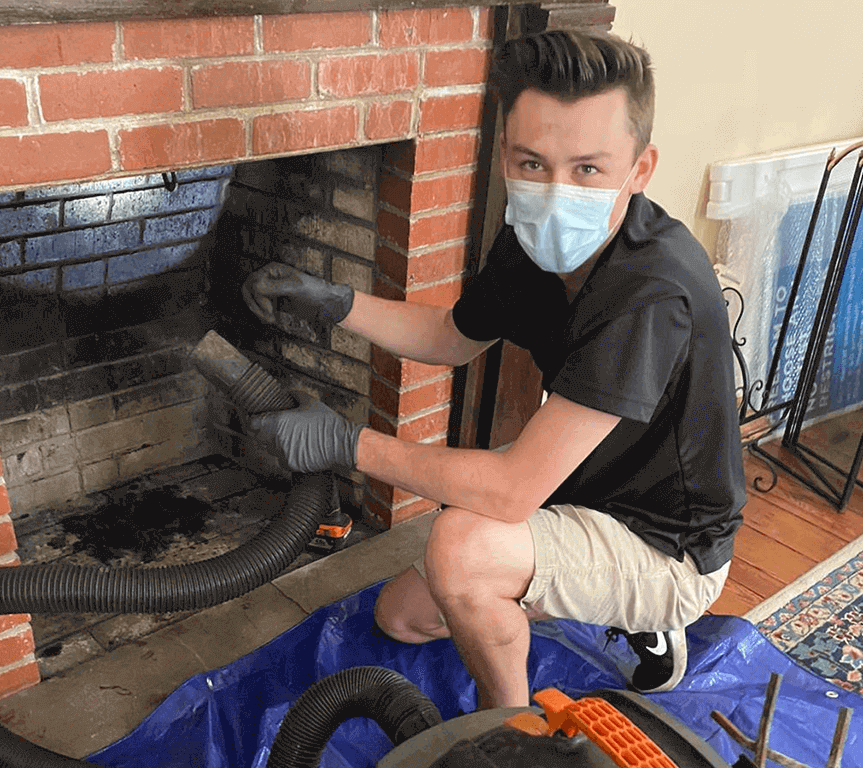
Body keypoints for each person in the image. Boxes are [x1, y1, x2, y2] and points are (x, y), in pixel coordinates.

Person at [241, 29, 745, 710]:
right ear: (505, 151)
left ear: (641, 169)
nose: (554, 191)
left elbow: (510, 492)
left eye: (588, 169)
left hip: (666, 545)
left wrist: (345, 443)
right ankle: (575, 598)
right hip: (585, 478)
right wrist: (332, 301)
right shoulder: (532, 240)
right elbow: (451, 337)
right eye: (531, 163)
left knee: (462, 548)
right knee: (403, 618)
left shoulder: (650, 294)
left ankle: (509, 731)